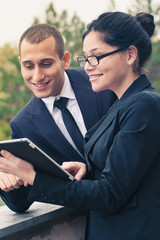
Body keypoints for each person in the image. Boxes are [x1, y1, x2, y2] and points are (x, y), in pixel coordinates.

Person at [0, 11, 160, 240]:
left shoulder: (129, 98)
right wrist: (85, 169)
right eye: (85, 58)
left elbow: (112, 190)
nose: (88, 67)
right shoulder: (23, 124)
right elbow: (116, 166)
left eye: (95, 57)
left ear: (130, 54)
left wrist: (35, 176)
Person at [0, 24, 116, 211]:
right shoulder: (22, 125)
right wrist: (4, 175)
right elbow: (20, 202)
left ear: (65, 59)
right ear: (20, 62)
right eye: (28, 66)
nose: (37, 76)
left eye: (46, 64)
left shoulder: (103, 84)